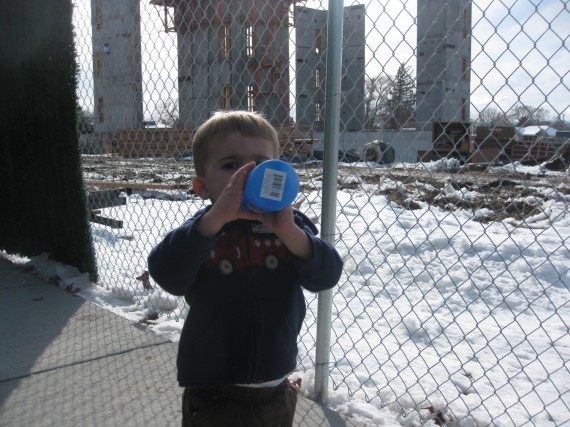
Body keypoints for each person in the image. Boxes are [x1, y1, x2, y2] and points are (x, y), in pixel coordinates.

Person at [147, 110, 343, 427]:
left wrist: (291, 232)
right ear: (203, 187)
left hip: (275, 387)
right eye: (231, 165)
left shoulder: (290, 227)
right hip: (213, 388)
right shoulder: (201, 231)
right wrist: (211, 223)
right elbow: (167, 274)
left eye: (261, 166)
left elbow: (326, 275)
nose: (248, 175)